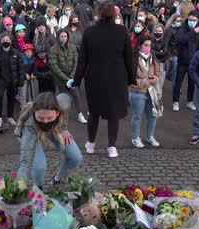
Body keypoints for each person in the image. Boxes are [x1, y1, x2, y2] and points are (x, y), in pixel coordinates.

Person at [73, 1, 136, 158]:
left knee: (94, 112)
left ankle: (91, 144)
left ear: (98, 14)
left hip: (95, 79)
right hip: (117, 79)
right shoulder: (122, 31)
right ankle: (112, 147)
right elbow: (129, 58)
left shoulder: (89, 32)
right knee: (113, 113)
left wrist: (76, 80)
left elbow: (82, 61)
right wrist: (131, 78)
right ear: (114, 15)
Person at [15, 92, 82, 187]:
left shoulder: (63, 104)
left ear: (58, 112)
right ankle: (38, 187)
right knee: (39, 166)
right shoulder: (29, 125)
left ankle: (58, 179)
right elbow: (25, 162)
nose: (45, 121)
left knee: (75, 157)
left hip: (54, 128)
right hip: (32, 131)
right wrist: (18, 188)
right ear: (34, 112)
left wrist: (64, 128)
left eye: (49, 117)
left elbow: (65, 105)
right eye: (41, 118)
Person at [130, 36, 162, 149]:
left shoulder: (153, 58)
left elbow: (159, 73)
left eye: (150, 45)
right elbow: (130, 80)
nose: (149, 48)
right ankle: (135, 138)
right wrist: (145, 81)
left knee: (153, 115)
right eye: (146, 45)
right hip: (138, 93)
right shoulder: (133, 59)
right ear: (139, 46)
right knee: (137, 116)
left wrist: (156, 79)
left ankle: (149, 136)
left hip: (152, 92)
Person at [49, 30, 87, 124]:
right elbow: (54, 66)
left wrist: (71, 76)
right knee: (64, 99)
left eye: (65, 36)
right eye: (62, 36)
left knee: (76, 96)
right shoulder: (53, 50)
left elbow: (75, 62)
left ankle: (80, 114)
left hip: (72, 78)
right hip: (61, 79)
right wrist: (65, 77)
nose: (64, 38)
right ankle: (62, 118)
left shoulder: (73, 47)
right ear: (58, 37)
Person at [0, 32, 25, 128]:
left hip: (12, 80)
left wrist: (21, 80)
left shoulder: (16, 53)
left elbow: (21, 67)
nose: (6, 42)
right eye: (4, 40)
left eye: (7, 40)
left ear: (11, 41)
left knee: (11, 99)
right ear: (1, 41)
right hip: (0, 80)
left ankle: (10, 116)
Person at [173, 11, 199, 112]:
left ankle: (190, 101)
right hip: (182, 60)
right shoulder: (182, 29)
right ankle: (175, 101)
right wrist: (193, 32)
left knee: (191, 83)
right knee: (178, 82)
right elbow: (180, 40)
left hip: (194, 62)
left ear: (198, 20)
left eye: (194, 20)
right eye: (190, 19)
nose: (191, 22)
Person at [164, 14, 181, 85]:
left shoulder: (181, 30)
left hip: (178, 53)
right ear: (173, 21)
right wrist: (168, 55)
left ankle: (166, 75)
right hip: (173, 53)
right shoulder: (170, 31)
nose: (179, 22)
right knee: (176, 71)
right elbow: (166, 43)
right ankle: (176, 87)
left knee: (172, 68)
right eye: (178, 21)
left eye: (180, 21)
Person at [151, 24, 168, 90]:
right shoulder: (150, 40)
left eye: (160, 31)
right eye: (156, 30)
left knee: (159, 85)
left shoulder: (165, 42)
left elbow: (164, 54)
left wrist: (152, 51)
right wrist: (159, 52)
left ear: (163, 32)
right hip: (150, 63)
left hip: (160, 63)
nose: (158, 32)